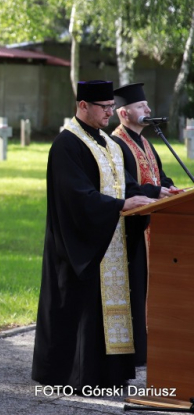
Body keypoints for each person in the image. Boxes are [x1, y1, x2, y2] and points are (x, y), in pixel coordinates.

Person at [32, 80, 155, 391]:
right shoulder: (66, 145)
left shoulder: (109, 144)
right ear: (83, 105)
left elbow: (126, 183)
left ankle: (109, 374)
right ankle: (74, 376)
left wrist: (148, 196)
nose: (109, 114)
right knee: (81, 308)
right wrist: (120, 205)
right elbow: (77, 197)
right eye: (104, 108)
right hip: (78, 244)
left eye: (112, 108)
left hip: (109, 238)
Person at [110, 82, 178, 366]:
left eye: (147, 105)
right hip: (131, 229)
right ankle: (136, 350)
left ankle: (153, 343)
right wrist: (155, 192)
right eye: (141, 106)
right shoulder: (114, 144)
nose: (149, 110)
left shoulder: (147, 142)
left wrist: (172, 189)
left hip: (154, 225)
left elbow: (159, 176)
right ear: (124, 113)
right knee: (136, 288)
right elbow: (122, 185)